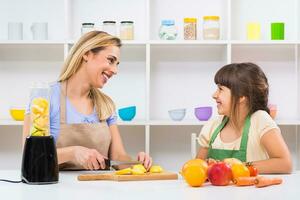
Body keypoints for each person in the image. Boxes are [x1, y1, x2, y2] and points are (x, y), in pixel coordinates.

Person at [23, 31, 152, 170]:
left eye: (117, 64)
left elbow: (118, 157)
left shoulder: (106, 104)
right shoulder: (45, 98)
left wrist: (137, 163)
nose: (115, 70)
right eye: (111, 60)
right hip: (55, 188)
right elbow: (31, 155)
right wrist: (72, 153)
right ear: (86, 54)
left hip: (100, 188)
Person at [196, 62, 292, 174]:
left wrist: (237, 167)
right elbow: (196, 167)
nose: (214, 95)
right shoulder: (213, 125)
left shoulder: (260, 120)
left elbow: (285, 163)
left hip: (251, 191)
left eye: (220, 89)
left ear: (241, 96)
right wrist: (206, 166)